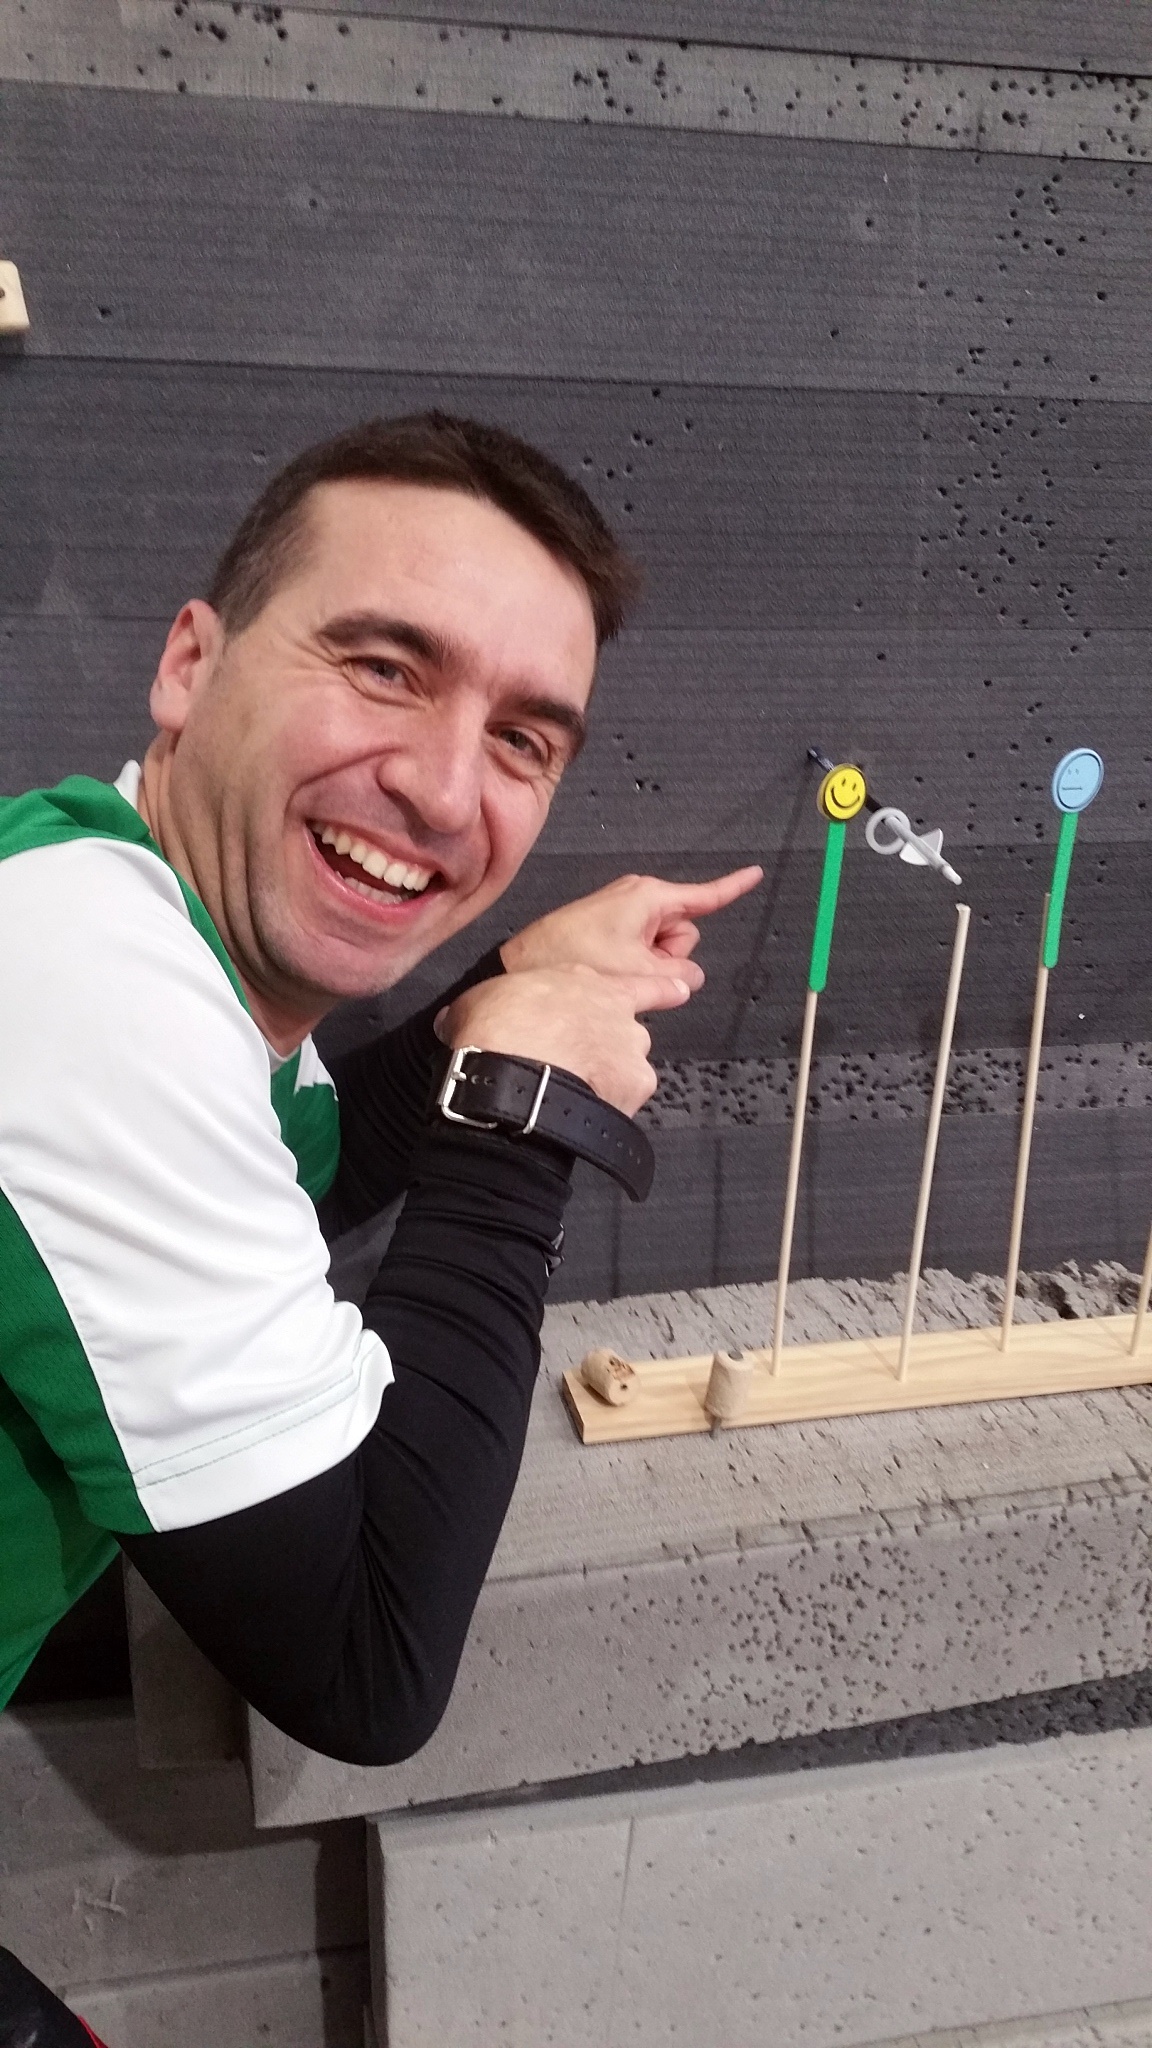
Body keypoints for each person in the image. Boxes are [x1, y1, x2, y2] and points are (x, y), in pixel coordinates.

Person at [0, 410, 760, 1778]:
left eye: (522, 740)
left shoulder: (128, 908)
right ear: (189, 667)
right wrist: (518, 1106)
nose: (445, 791)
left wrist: (503, 987)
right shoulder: (82, 974)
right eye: (384, 668)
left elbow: (285, 1179)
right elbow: (368, 1659)